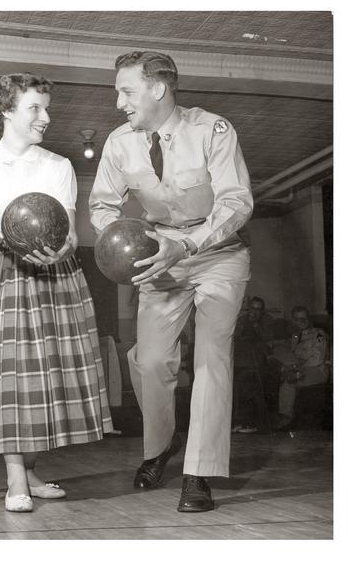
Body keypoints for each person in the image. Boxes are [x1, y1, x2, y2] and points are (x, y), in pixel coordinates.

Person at [89, 51, 253, 512]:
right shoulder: (119, 143)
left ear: (158, 88)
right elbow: (102, 206)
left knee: (211, 359)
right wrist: (124, 242)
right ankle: (160, 447)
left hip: (218, 253)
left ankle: (198, 473)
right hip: (158, 257)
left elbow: (237, 201)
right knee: (151, 361)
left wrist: (190, 244)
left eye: (126, 90)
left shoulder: (212, 129)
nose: (118, 101)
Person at [0, 72, 113, 512]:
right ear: (7, 111)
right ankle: (14, 480)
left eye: (47, 108)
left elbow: (68, 234)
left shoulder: (58, 166)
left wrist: (57, 248)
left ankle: (29, 471)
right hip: (5, 273)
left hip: (57, 275)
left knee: (49, 382)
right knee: (12, 382)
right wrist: (15, 224)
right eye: (35, 108)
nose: (46, 117)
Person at [270, 306, 328, 430]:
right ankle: (282, 416)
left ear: (309, 318)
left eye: (304, 318)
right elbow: (288, 350)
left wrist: (298, 366)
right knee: (284, 371)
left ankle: (286, 417)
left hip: (317, 371)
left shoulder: (318, 334)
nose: (301, 322)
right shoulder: (295, 337)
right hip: (299, 369)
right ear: (293, 321)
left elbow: (318, 359)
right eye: (297, 319)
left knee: (289, 380)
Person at [232, 296, 275, 433]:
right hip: (240, 360)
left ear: (263, 311)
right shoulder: (242, 319)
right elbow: (234, 336)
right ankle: (239, 421)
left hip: (257, 361)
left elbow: (268, 342)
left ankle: (251, 423)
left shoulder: (268, 320)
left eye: (259, 309)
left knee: (252, 387)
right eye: (253, 308)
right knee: (236, 389)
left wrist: (256, 326)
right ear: (248, 308)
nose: (255, 312)